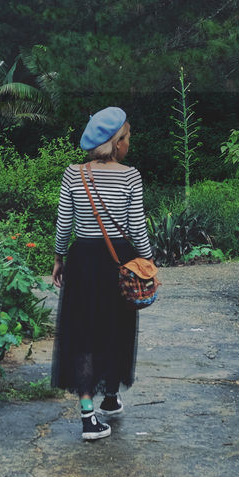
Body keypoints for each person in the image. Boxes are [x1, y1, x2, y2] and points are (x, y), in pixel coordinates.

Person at [50, 106, 153, 441]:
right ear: (116, 142)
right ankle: (109, 396)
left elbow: (64, 223)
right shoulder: (130, 175)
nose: (128, 144)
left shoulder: (73, 173)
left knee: (83, 332)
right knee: (116, 328)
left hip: (83, 260)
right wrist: (148, 261)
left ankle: (90, 413)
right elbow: (137, 228)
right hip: (118, 262)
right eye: (126, 138)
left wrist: (58, 257)